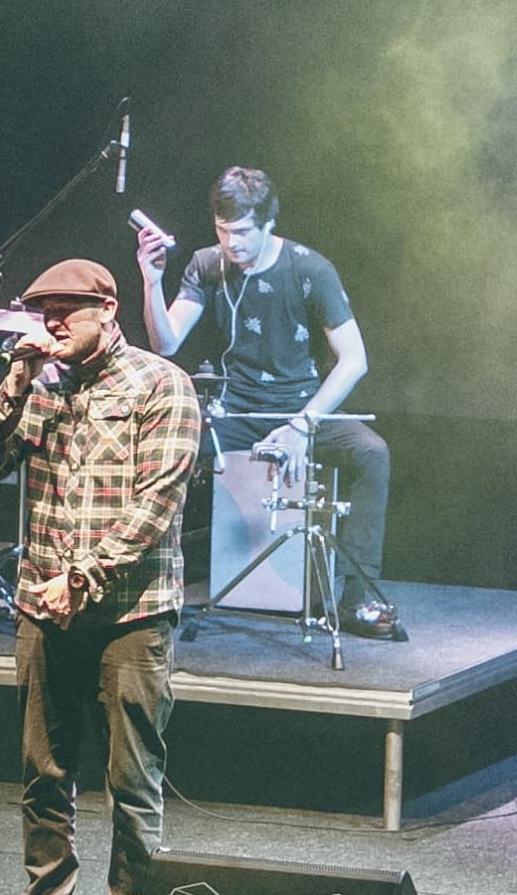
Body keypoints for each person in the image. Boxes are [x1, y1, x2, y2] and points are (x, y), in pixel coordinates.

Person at [0, 257, 202, 895]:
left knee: (132, 776)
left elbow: (155, 504)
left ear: (109, 308)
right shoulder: (41, 386)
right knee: (44, 769)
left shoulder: (163, 384)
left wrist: (87, 575)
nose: (54, 322)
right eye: (44, 311)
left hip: (132, 610)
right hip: (45, 604)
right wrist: (13, 382)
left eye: (68, 309)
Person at [137, 165, 401, 640]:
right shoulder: (207, 264)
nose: (231, 243)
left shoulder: (309, 269)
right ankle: (142, 584)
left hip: (300, 410)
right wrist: (151, 280)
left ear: (268, 223)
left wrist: (303, 425)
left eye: (241, 233)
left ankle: (358, 600)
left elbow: (354, 359)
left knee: (371, 454)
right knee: (159, 448)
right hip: (236, 412)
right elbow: (167, 342)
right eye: (222, 231)